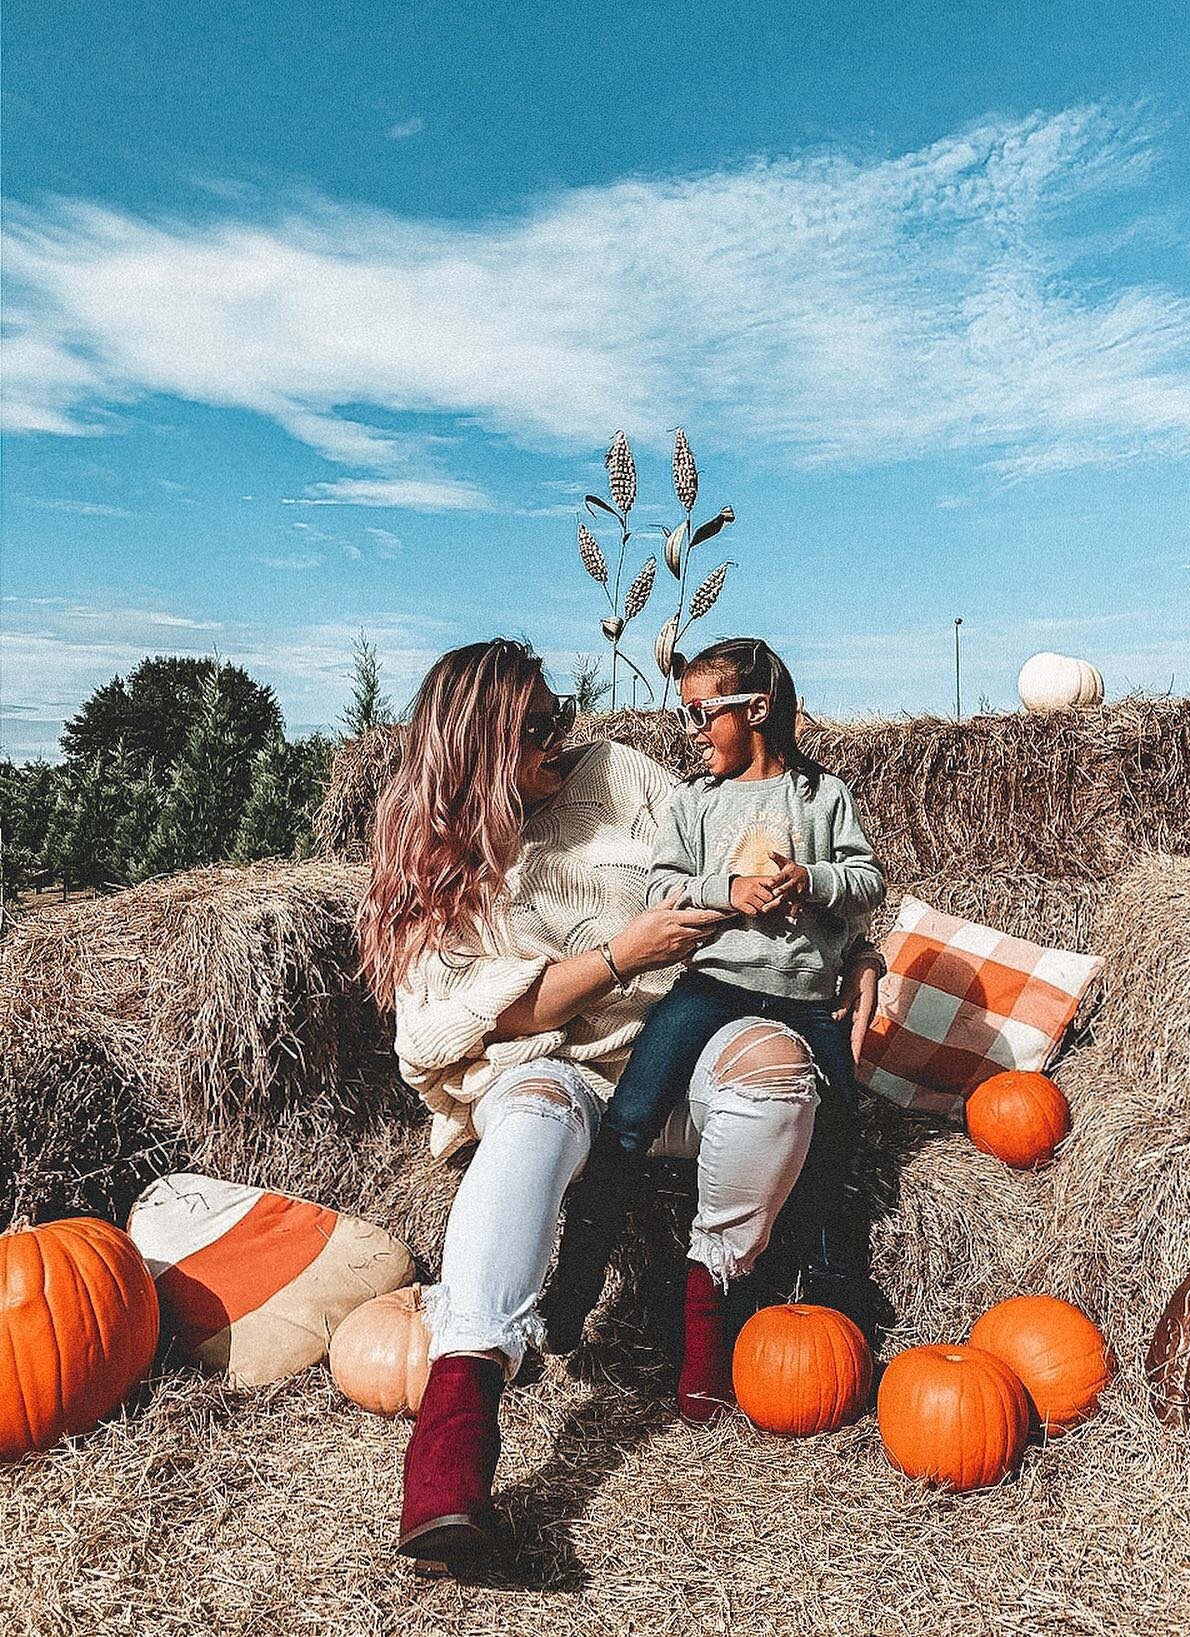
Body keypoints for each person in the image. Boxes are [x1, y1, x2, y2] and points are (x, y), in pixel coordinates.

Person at [356, 638, 881, 1578]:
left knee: (777, 1079)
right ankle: (454, 1440)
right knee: (523, 1121)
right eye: (535, 730)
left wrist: (852, 949)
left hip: (686, 1034)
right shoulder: (448, 865)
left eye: (561, 713)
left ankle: (711, 1301)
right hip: (553, 1058)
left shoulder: (617, 775)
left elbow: (747, 858)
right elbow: (457, 1021)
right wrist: (619, 956)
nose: (564, 736)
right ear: (477, 751)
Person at [542, 638, 885, 1356]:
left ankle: (832, 1292)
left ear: (756, 709)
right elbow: (661, 887)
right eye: (685, 716)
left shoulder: (821, 796)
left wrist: (813, 881)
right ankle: (571, 1290)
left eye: (701, 714)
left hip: (802, 997)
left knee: (839, 1131)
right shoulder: (697, 802)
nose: (690, 732)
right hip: (710, 987)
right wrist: (724, 890)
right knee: (629, 1117)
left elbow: (867, 879)